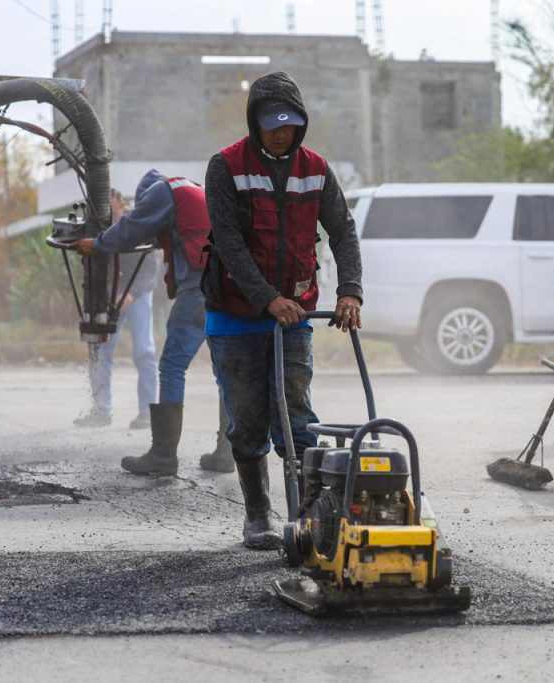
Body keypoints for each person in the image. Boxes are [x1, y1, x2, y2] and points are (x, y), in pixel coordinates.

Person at [202, 71, 363, 550]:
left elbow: (343, 231)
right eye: (272, 124)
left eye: (289, 124)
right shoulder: (225, 166)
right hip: (236, 316)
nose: (281, 132)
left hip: (295, 316)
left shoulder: (315, 169)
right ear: (255, 122)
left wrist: (350, 291)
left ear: (301, 124)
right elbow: (228, 242)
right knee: (247, 420)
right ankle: (258, 516)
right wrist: (266, 298)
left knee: (297, 417)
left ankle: (309, 515)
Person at [71, 171, 233, 474]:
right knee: (226, 372)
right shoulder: (194, 191)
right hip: (229, 291)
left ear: (145, 197)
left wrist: (98, 243)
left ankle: (163, 456)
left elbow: (133, 229)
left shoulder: (162, 191)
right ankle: (226, 453)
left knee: (172, 367)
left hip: (198, 292)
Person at [73, 188, 159, 431]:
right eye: (104, 213)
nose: (109, 217)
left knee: (144, 351)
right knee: (101, 350)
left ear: (122, 206)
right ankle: (101, 410)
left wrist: (131, 293)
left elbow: (150, 268)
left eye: (112, 210)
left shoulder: (139, 226)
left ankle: (148, 412)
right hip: (109, 297)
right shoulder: (97, 233)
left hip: (138, 294)